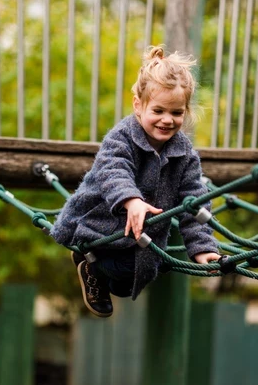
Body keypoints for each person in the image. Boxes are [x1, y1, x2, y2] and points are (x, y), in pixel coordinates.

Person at [50, 46, 221, 318]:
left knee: (129, 282)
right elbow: (113, 170)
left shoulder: (185, 153)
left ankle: (100, 270)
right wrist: (132, 200)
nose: (167, 120)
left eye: (176, 113)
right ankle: (89, 262)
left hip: (140, 235)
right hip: (100, 224)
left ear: (186, 112)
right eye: (158, 110)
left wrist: (203, 248)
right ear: (138, 106)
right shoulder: (121, 137)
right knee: (123, 269)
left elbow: (194, 201)